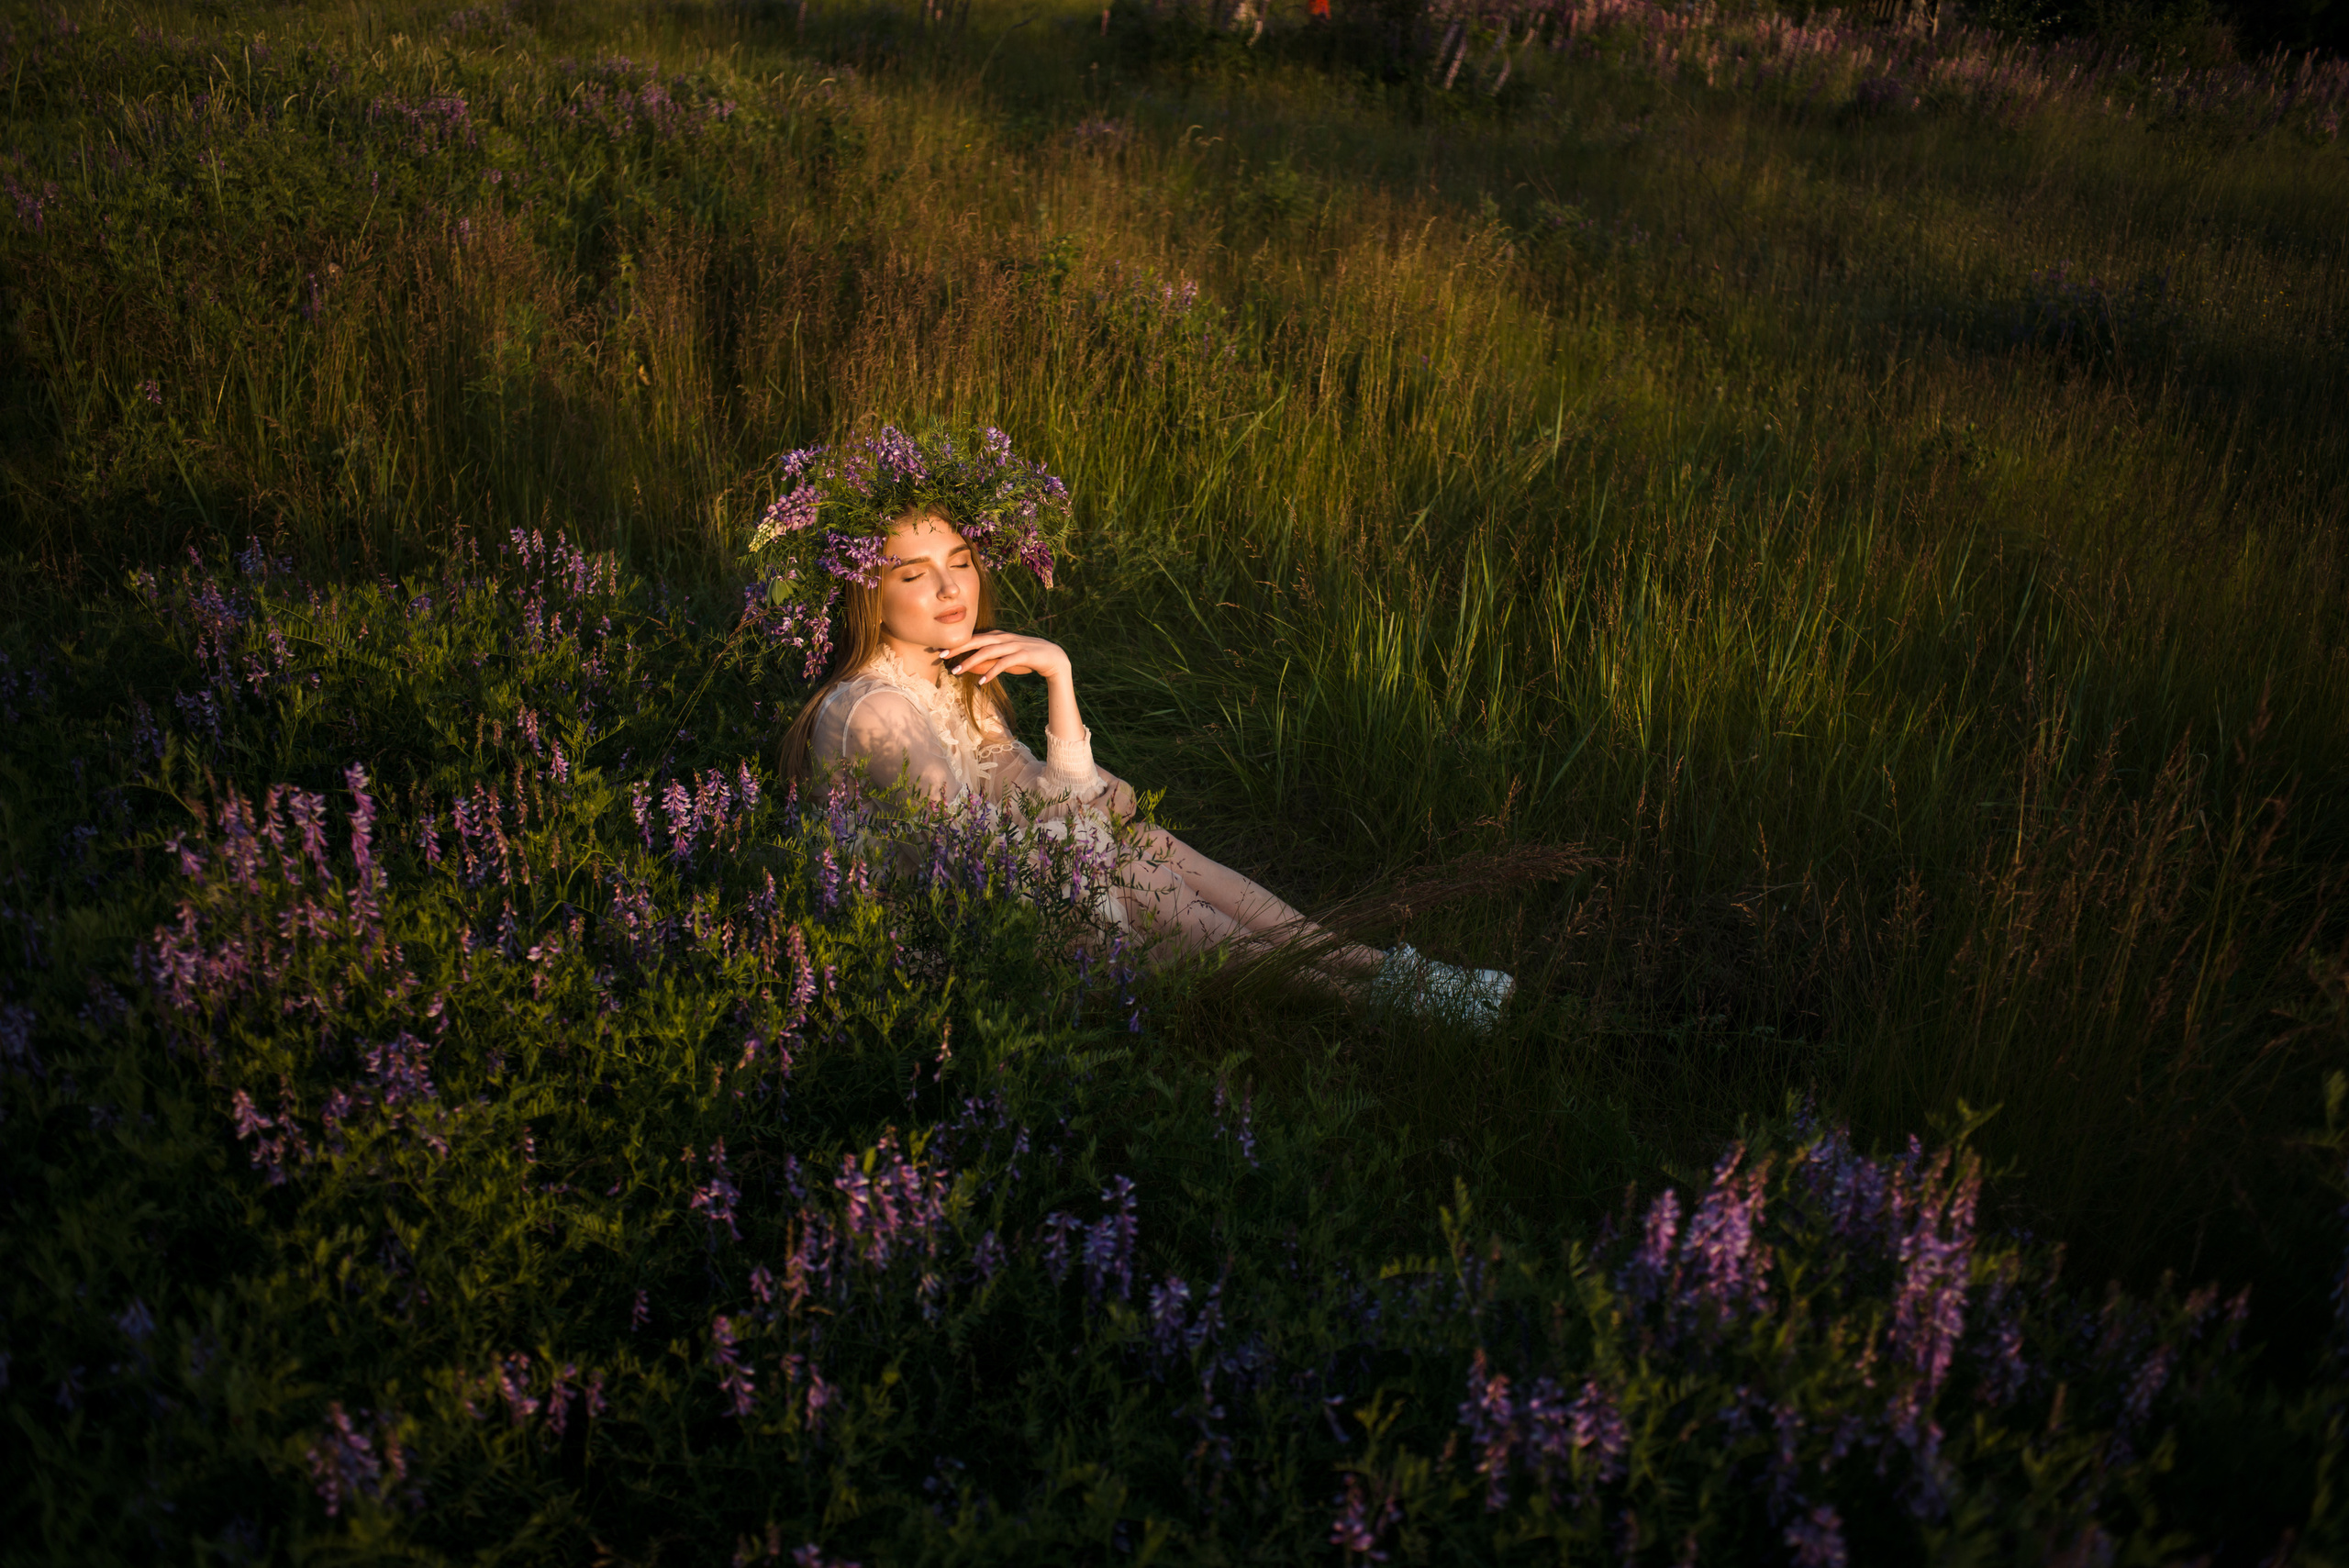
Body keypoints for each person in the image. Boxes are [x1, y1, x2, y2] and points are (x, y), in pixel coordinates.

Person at [752, 426, 1512, 1027]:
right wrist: (1109, 851)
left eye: (960, 560)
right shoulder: (877, 707)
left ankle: (1374, 967)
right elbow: (987, 870)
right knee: (1129, 858)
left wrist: (1058, 672)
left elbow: (1069, 801)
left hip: (1014, 882)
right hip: (956, 943)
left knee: (1131, 829)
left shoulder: (950, 669)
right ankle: (1375, 1001)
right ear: (864, 591)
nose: (951, 588)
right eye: (913, 574)